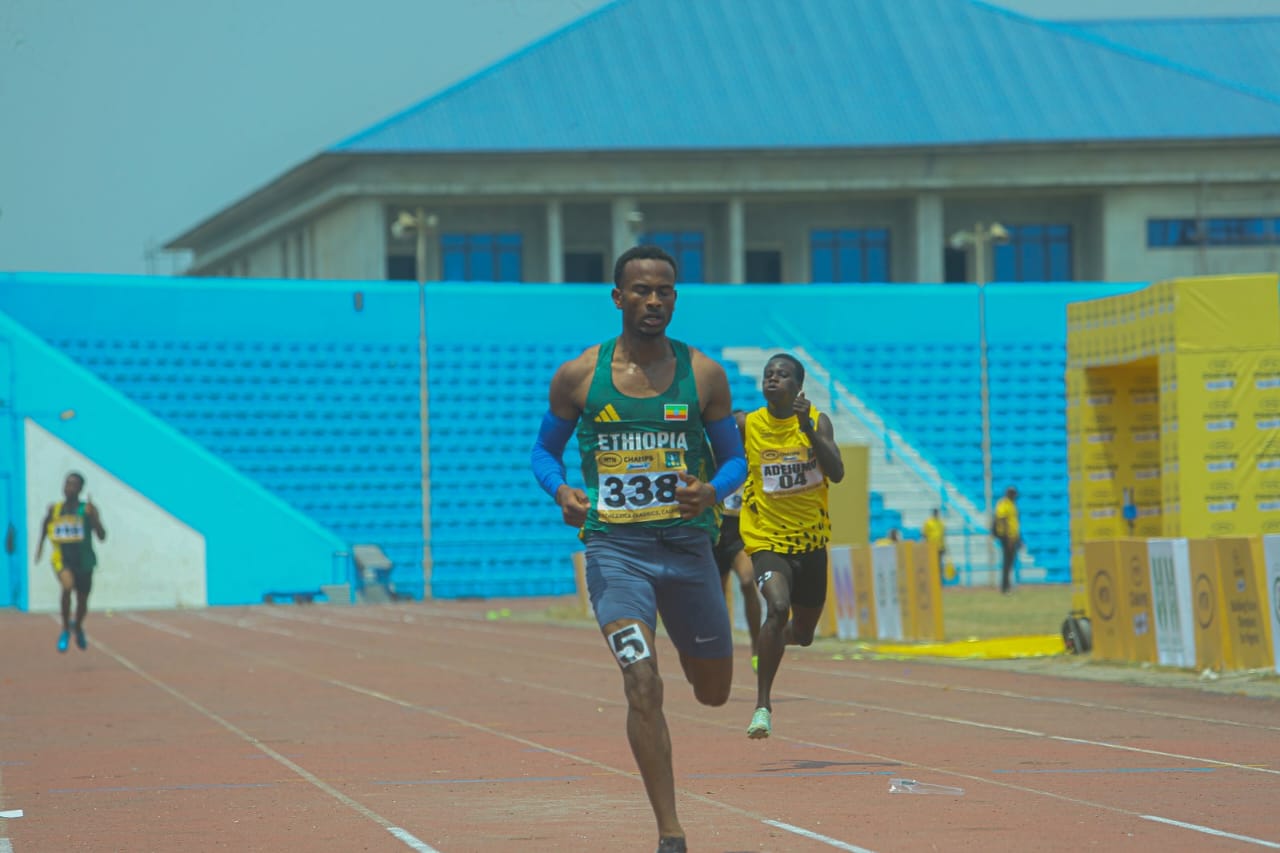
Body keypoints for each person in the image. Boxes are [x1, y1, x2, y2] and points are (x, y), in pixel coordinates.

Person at [530, 244, 746, 853]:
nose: (655, 301)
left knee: (713, 691)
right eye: (643, 291)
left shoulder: (703, 373)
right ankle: (670, 832)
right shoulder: (579, 375)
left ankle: (690, 642)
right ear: (618, 297)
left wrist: (710, 491)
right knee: (642, 682)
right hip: (614, 551)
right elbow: (543, 453)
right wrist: (560, 490)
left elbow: (736, 461)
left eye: (666, 291)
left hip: (686, 550)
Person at [739, 353, 844, 739]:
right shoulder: (748, 424)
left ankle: (770, 644)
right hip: (767, 538)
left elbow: (837, 472)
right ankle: (762, 706)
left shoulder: (817, 422)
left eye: (782, 375)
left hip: (811, 541)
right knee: (777, 607)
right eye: (768, 374)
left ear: (798, 387)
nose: (773, 379)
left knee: (802, 634)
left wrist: (807, 429)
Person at [33, 472, 107, 652]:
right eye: (67, 484)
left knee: (82, 601)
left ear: (81, 489)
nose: (69, 488)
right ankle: (65, 628)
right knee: (67, 587)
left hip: (84, 561)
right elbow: (45, 525)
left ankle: (78, 626)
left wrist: (93, 518)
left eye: (73, 485)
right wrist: (40, 547)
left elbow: (102, 536)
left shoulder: (88, 509)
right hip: (63, 559)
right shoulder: (55, 509)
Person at [713, 411, 760, 671]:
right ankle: (722, 651)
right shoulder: (716, 456)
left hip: (740, 532)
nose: (741, 433)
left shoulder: (757, 457)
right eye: (736, 429)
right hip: (718, 530)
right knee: (718, 598)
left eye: (744, 429)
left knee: (746, 580)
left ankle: (756, 646)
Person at [993, 486, 1022, 594]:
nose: (1015, 497)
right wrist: (1008, 537)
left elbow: (1014, 523)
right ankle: (1004, 587)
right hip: (1006, 537)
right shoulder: (1003, 504)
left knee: (1010, 562)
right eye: (1014, 495)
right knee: (1007, 562)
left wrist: (1018, 538)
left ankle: (1007, 585)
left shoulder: (1011, 505)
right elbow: (1002, 519)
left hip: (1012, 536)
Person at [922, 508, 947, 580]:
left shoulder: (941, 523)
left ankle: (939, 581)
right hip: (931, 547)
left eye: (937, 513)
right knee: (931, 564)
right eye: (935, 513)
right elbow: (924, 535)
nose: (936, 514)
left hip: (940, 547)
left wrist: (944, 547)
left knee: (939, 565)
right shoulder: (928, 523)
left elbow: (942, 535)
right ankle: (931, 580)